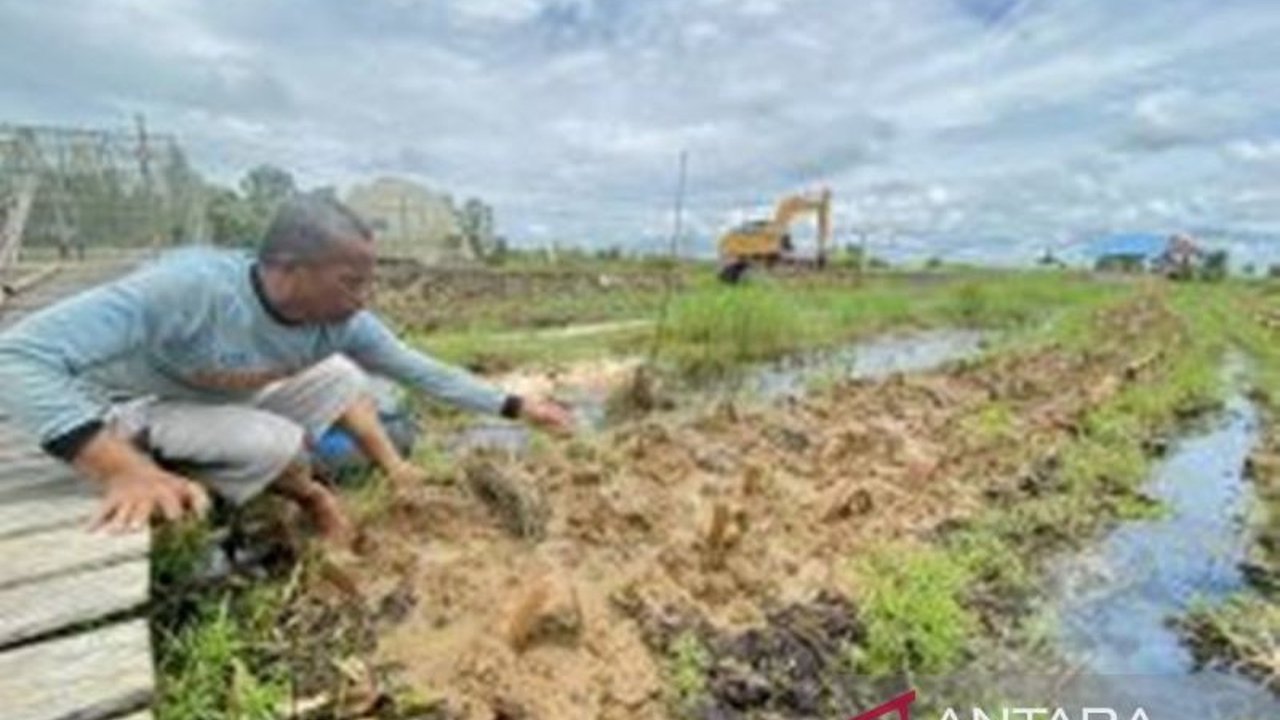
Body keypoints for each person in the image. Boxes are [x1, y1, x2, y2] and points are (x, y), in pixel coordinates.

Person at [0, 193, 572, 546]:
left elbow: (420, 370)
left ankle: (395, 468)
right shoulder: (188, 291)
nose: (363, 297)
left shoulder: (342, 322)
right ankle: (315, 500)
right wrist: (117, 467)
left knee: (348, 377)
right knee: (274, 440)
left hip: (217, 398)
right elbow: (17, 355)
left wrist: (519, 407)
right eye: (352, 280)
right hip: (131, 411)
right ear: (290, 269)